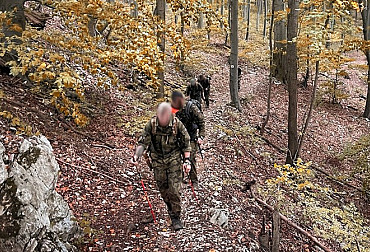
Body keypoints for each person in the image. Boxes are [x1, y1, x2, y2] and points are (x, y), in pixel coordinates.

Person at [131, 102, 192, 231]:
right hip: (157, 160)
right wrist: (137, 156)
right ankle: (170, 208)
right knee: (163, 189)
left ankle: (176, 217)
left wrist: (187, 160)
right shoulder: (151, 125)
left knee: (174, 190)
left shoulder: (177, 124)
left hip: (174, 158)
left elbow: (186, 142)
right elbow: (143, 142)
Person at [171, 91, 205, 188]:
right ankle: (180, 180)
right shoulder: (173, 108)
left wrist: (201, 136)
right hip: (178, 136)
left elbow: (201, 121)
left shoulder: (191, 108)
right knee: (177, 158)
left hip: (191, 136)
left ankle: (194, 181)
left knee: (190, 158)